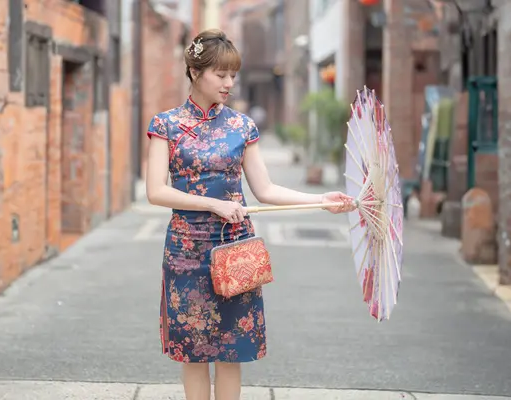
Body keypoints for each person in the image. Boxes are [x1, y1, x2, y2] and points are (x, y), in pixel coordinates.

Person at [145, 29, 356, 400]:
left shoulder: (242, 126)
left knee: (231, 351)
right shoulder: (167, 125)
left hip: (234, 248)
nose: (229, 82)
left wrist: (321, 199)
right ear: (195, 72)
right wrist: (212, 203)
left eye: (233, 74)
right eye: (221, 74)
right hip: (185, 250)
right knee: (193, 353)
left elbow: (266, 190)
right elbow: (156, 191)